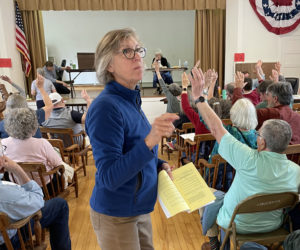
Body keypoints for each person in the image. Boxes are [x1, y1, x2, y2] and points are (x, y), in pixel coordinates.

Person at [189, 63, 300, 250]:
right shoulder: (296, 171)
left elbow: (216, 128)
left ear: (263, 142)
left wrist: (199, 97)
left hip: (237, 224)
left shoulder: (247, 158)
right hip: (274, 226)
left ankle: (216, 243)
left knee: (206, 195)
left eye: (260, 135)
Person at [85, 28, 178, 250]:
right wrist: (150, 141)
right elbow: (108, 176)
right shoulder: (106, 107)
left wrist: (159, 164)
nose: (137, 56)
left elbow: (132, 150)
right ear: (109, 65)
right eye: (127, 51)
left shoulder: (129, 100)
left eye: (138, 49)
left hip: (138, 208)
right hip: (116, 215)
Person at [0, 155, 71, 250]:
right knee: (60, 205)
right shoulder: (7, 195)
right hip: (8, 242)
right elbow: (38, 201)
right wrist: (17, 168)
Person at [2, 108, 73, 189]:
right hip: (46, 187)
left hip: (18, 187)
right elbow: (58, 164)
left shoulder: (3, 144)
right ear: (34, 126)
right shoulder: (42, 143)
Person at [232, 72, 300, 144]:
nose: (266, 99)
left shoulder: (272, 113)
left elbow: (241, 112)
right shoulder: (297, 116)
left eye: (268, 95)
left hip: (275, 154)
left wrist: (238, 89)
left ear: (275, 99)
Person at [0, 74, 53, 139]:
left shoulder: (2, 124)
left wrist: (10, 82)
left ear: (7, 106)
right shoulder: (34, 115)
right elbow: (49, 105)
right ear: (24, 104)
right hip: (35, 148)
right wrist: (41, 88)